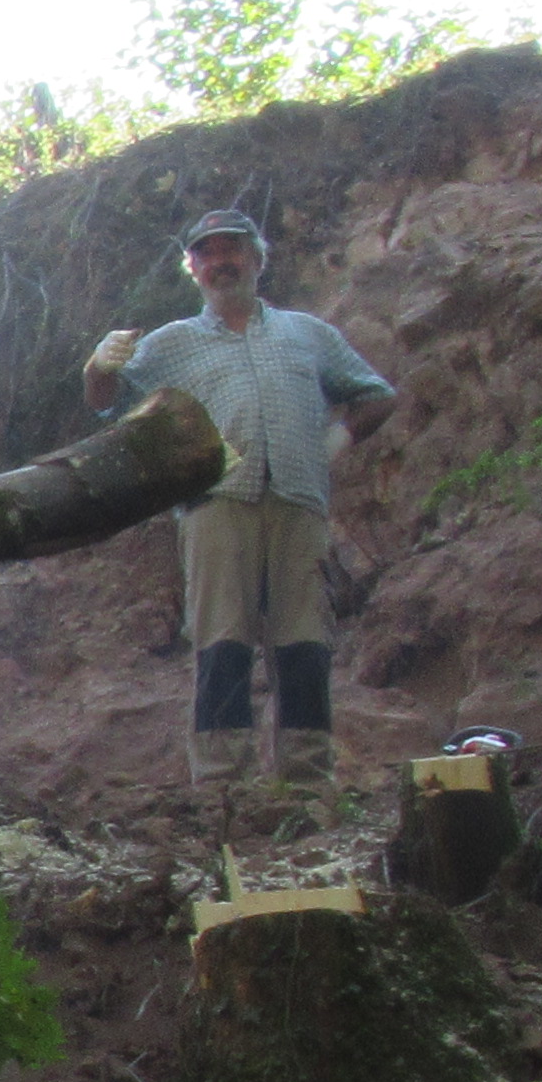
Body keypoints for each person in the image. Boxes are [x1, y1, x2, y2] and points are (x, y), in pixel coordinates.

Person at [86, 210, 399, 781]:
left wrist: (336, 441)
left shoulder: (308, 333)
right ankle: (221, 780)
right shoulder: (172, 343)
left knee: (304, 640)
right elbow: (107, 404)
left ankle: (307, 778)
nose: (220, 262)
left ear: (257, 259)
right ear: (193, 269)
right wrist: (98, 366)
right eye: (206, 254)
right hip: (216, 502)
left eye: (231, 249)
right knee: (221, 639)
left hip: (298, 500)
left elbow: (377, 395)